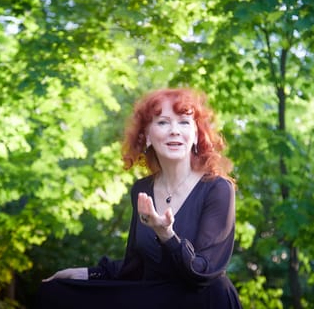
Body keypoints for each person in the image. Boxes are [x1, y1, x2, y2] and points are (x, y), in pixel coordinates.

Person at [35, 88, 242, 309]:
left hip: (204, 299)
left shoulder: (218, 188)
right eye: (163, 123)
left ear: (197, 135)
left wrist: (166, 235)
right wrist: (87, 273)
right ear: (147, 136)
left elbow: (203, 272)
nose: (174, 131)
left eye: (184, 122)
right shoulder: (142, 189)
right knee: (54, 293)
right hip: (157, 295)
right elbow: (136, 266)